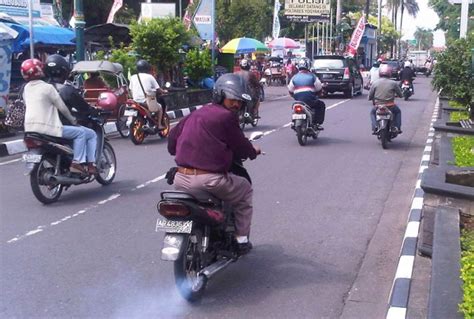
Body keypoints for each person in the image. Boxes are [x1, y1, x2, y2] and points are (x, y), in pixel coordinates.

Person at [167, 73, 262, 255]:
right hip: (210, 181)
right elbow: (240, 146)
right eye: (232, 100)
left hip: (180, 178)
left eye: (239, 102)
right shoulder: (227, 117)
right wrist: (252, 151)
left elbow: (172, 139)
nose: (236, 104)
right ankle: (241, 239)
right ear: (220, 96)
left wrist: (181, 154)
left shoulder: (195, 114)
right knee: (245, 190)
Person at [22, 58, 97, 174]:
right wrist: (73, 121)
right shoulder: (48, 88)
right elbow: (63, 108)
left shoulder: (25, 89)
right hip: (49, 129)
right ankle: (77, 163)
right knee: (82, 133)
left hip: (29, 130)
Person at [287, 58, 325, 129]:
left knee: (293, 107)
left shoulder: (294, 77)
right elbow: (319, 88)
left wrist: (295, 96)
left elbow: (290, 90)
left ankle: (293, 122)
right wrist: (318, 94)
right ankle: (317, 123)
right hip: (310, 100)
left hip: (298, 101)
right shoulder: (312, 76)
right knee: (321, 105)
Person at [129, 59, 167, 129]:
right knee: (160, 108)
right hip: (146, 101)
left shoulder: (133, 77)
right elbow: (158, 89)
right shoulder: (150, 77)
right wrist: (164, 91)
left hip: (135, 101)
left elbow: (131, 90)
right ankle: (159, 125)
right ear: (147, 68)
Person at [368, 63, 403, 134]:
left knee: (372, 113)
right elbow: (400, 95)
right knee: (398, 112)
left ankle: (375, 126)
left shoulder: (375, 83)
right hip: (390, 105)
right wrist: (397, 95)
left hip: (378, 105)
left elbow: (370, 96)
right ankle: (397, 127)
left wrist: (372, 98)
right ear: (389, 73)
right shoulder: (393, 83)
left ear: (380, 73)